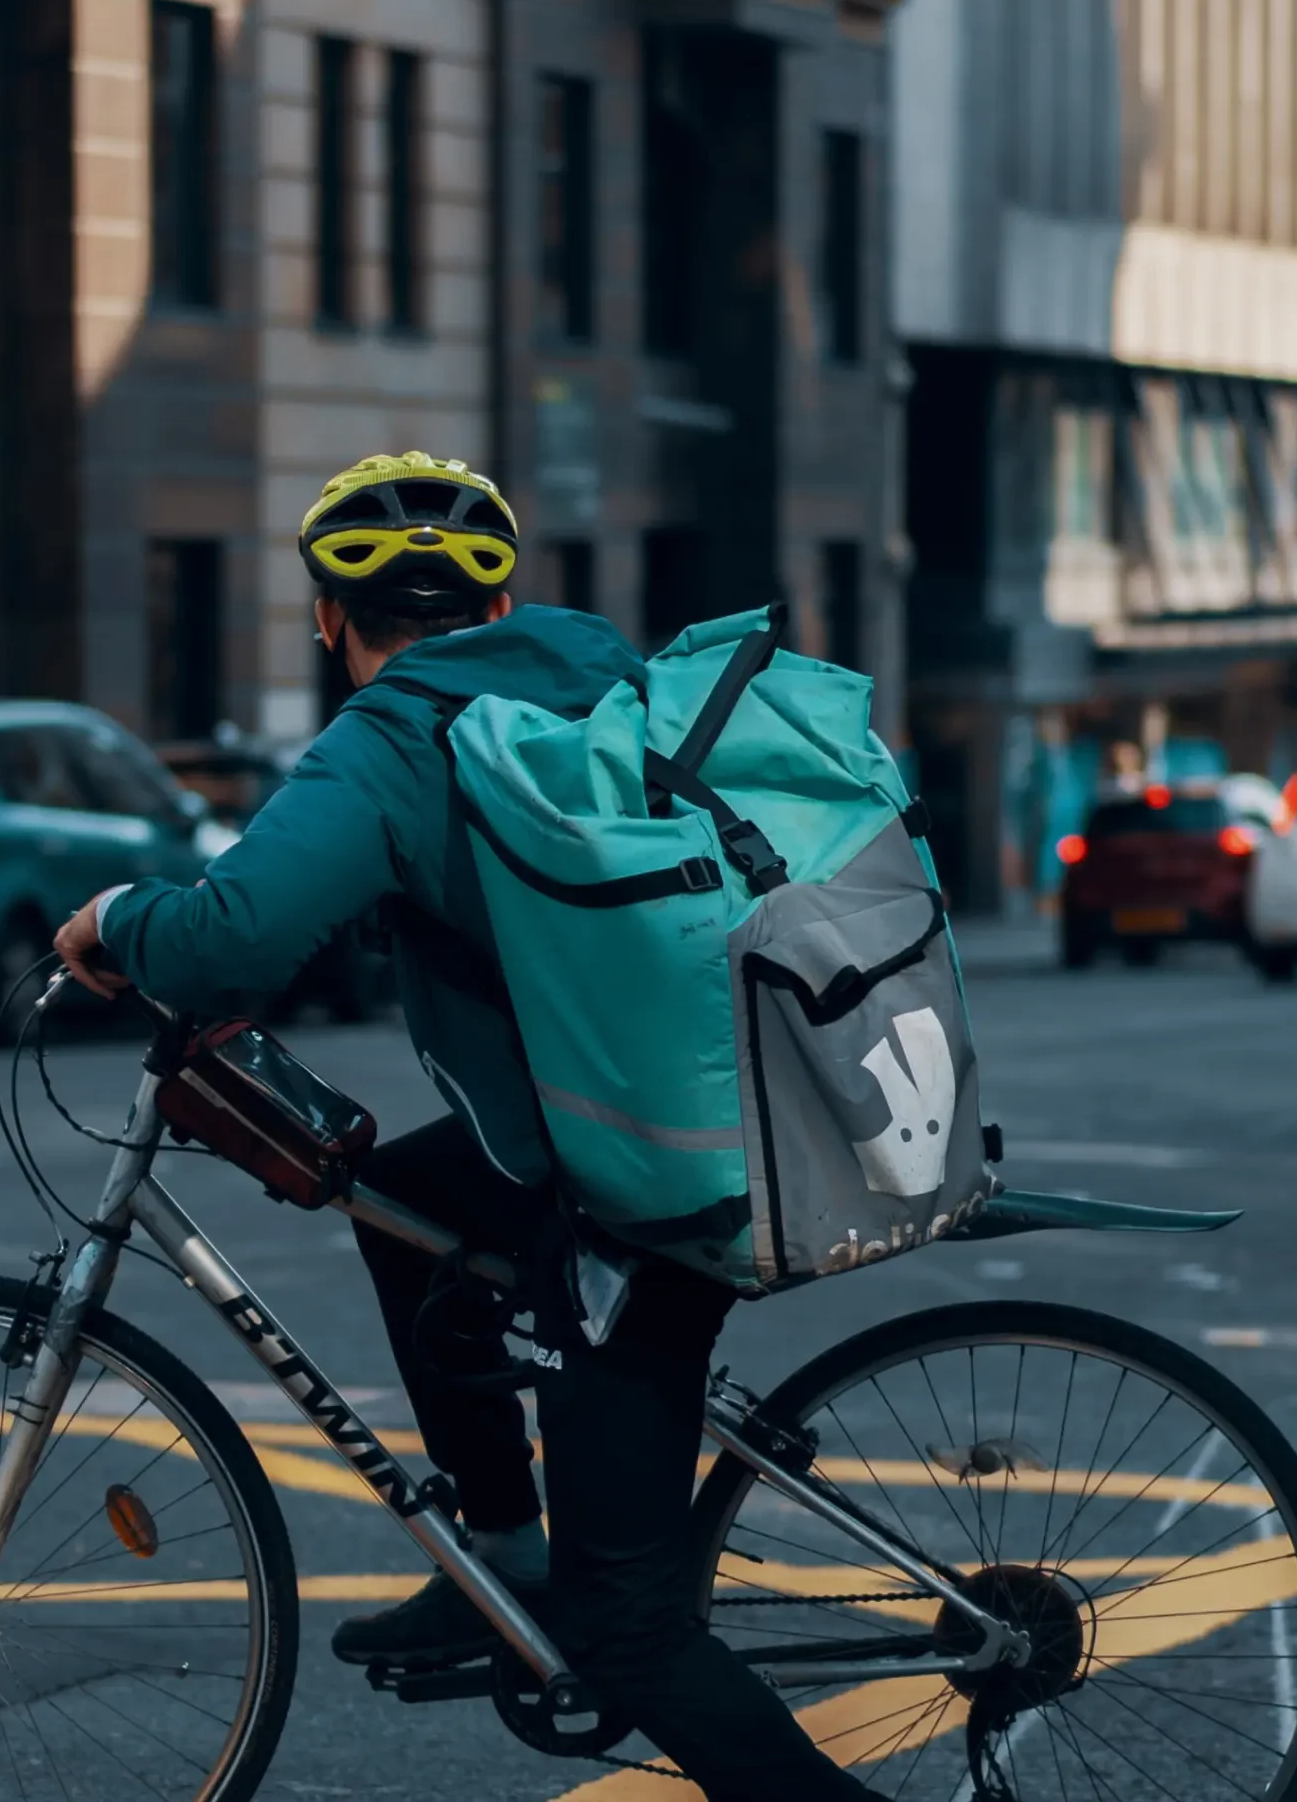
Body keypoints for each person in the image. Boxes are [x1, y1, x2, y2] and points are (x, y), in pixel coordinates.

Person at [54, 452, 872, 1802]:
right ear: (498, 601)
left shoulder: (388, 740)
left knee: (633, 1633)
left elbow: (233, 940)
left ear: (327, 618)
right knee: (403, 1210)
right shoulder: (601, 674)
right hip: (725, 1113)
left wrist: (115, 919)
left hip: (631, 1190)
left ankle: (569, 1584)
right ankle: (501, 1545)